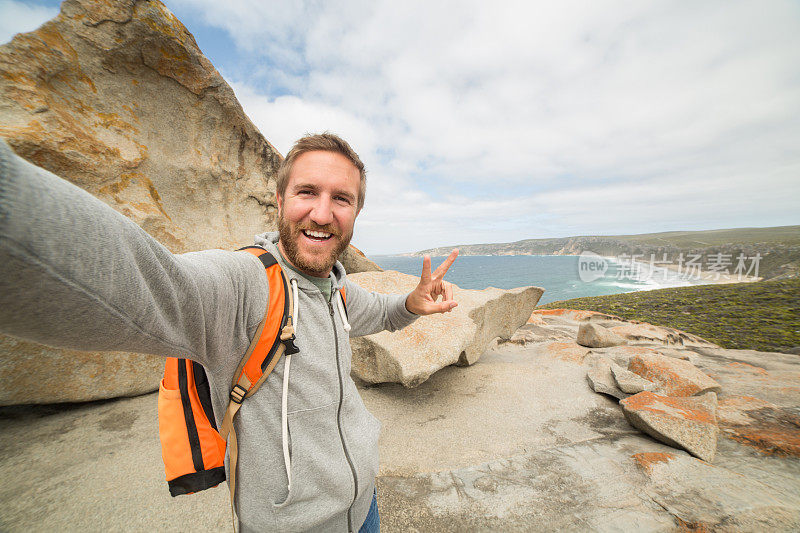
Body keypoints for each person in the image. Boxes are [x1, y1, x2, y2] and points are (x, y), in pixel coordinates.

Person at [0, 133, 459, 532]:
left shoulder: (334, 290)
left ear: (356, 211)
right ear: (279, 201)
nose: (322, 213)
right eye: (306, 192)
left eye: (341, 198)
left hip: (364, 509)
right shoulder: (245, 283)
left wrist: (410, 304)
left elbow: (381, 312)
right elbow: (150, 282)